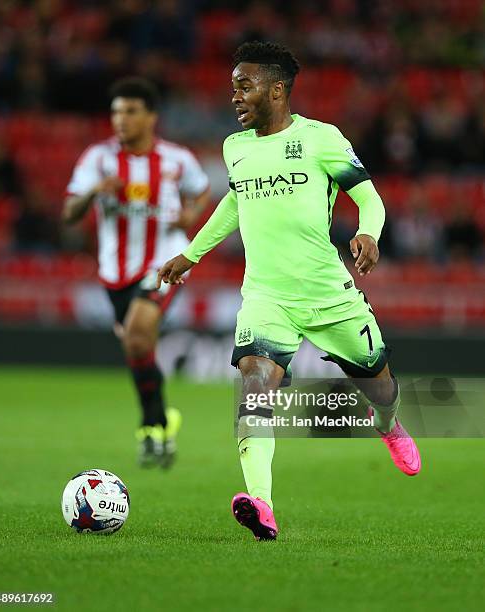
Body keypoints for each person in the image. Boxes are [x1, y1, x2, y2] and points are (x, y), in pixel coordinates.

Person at [157, 41, 422, 540]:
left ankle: (387, 424)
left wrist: (368, 232)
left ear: (278, 89)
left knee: (381, 386)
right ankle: (262, 504)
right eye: (232, 86)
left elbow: (371, 199)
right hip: (266, 296)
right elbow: (235, 205)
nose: (235, 96)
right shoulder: (235, 148)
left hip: (329, 294)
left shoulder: (321, 139)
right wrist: (192, 253)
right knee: (255, 388)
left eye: (245, 85)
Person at [63, 77, 210, 468]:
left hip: (163, 260)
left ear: (151, 116)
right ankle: (160, 423)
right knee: (137, 345)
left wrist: (192, 213)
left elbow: (201, 190)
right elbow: (68, 213)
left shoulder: (177, 159)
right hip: (114, 273)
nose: (120, 120)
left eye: (129, 111)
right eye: (115, 112)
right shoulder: (98, 159)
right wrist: (95, 191)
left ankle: (149, 428)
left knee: (140, 331)